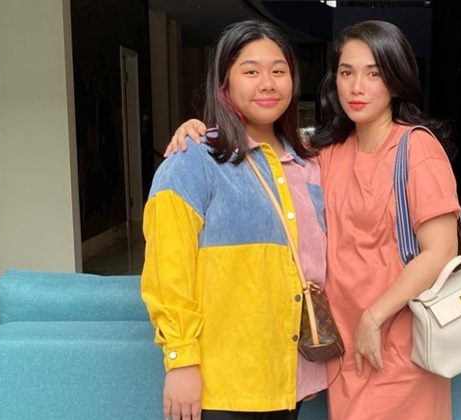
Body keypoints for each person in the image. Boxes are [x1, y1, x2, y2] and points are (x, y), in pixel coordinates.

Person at [169, 20, 461, 420]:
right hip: (340, 347)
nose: (357, 87)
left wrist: (374, 317)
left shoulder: (417, 148)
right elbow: (265, 149)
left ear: (396, 80)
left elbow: (441, 251)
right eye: (346, 72)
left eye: (374, 73)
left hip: (397, 343)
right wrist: (199, 130)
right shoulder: (324, 151)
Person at [141, 20, 328, 420]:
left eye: (278, 71)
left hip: (289, 378)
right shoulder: (193, 161)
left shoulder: (309, 165)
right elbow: (166, 272)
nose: (267, 84)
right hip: (223, 384)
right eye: (251, 71)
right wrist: (180, 360)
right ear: (224, 82)